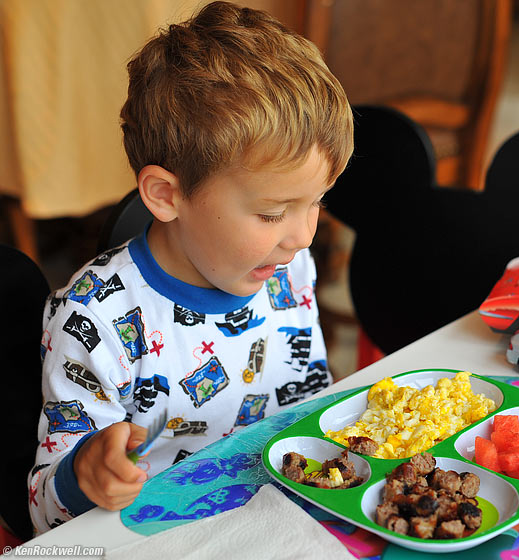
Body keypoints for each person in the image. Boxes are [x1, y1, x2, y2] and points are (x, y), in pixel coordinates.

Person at [28, 1, 353, 535]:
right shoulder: (94, 319)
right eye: (273, 213)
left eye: (316, 203)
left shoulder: (286, 269)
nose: (302, 237)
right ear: (166, 195)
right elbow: (43, 519)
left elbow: (306, 404)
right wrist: (84, 475)